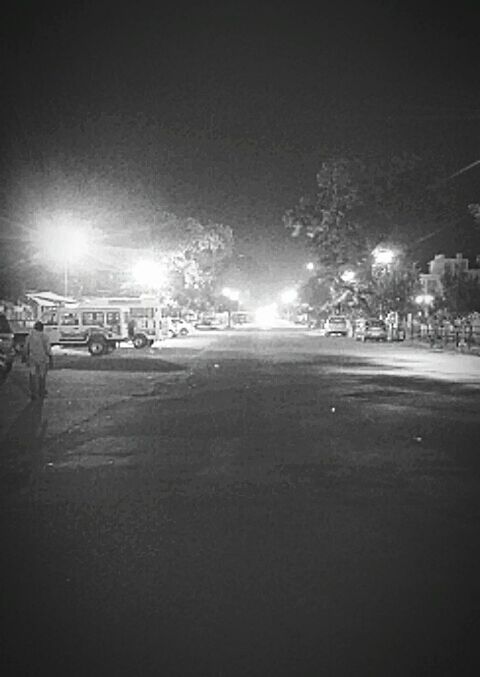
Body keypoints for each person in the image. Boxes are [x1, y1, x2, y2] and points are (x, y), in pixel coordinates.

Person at [25, 320, 53, 399]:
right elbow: (48, 350)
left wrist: (25, 357)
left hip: (32, 358)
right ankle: (41, 391)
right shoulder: (45, 336)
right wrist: (51, 359)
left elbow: (25, 348)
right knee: (42, 376)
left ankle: (34, 393)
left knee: (32, 375)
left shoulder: (29, 337)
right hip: (42, 359)